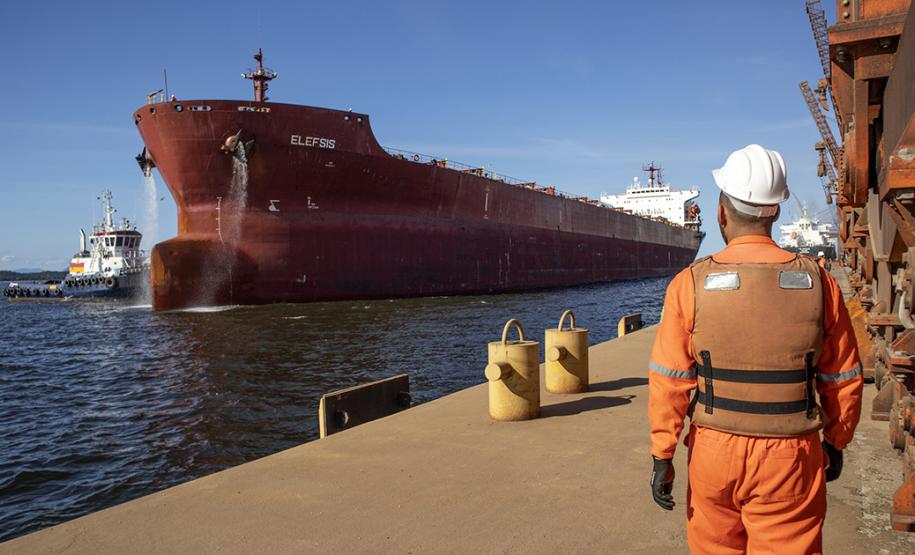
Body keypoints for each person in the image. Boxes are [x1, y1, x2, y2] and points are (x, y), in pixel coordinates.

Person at [648, 144, 863, 554]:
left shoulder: (688, 284)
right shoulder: (820, 283)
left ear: (720, 212)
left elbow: (669, 381)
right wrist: (836, 441)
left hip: (713, 451)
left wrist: (662, 454)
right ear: (777, 212)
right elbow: (843, 377)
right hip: (791, 455)